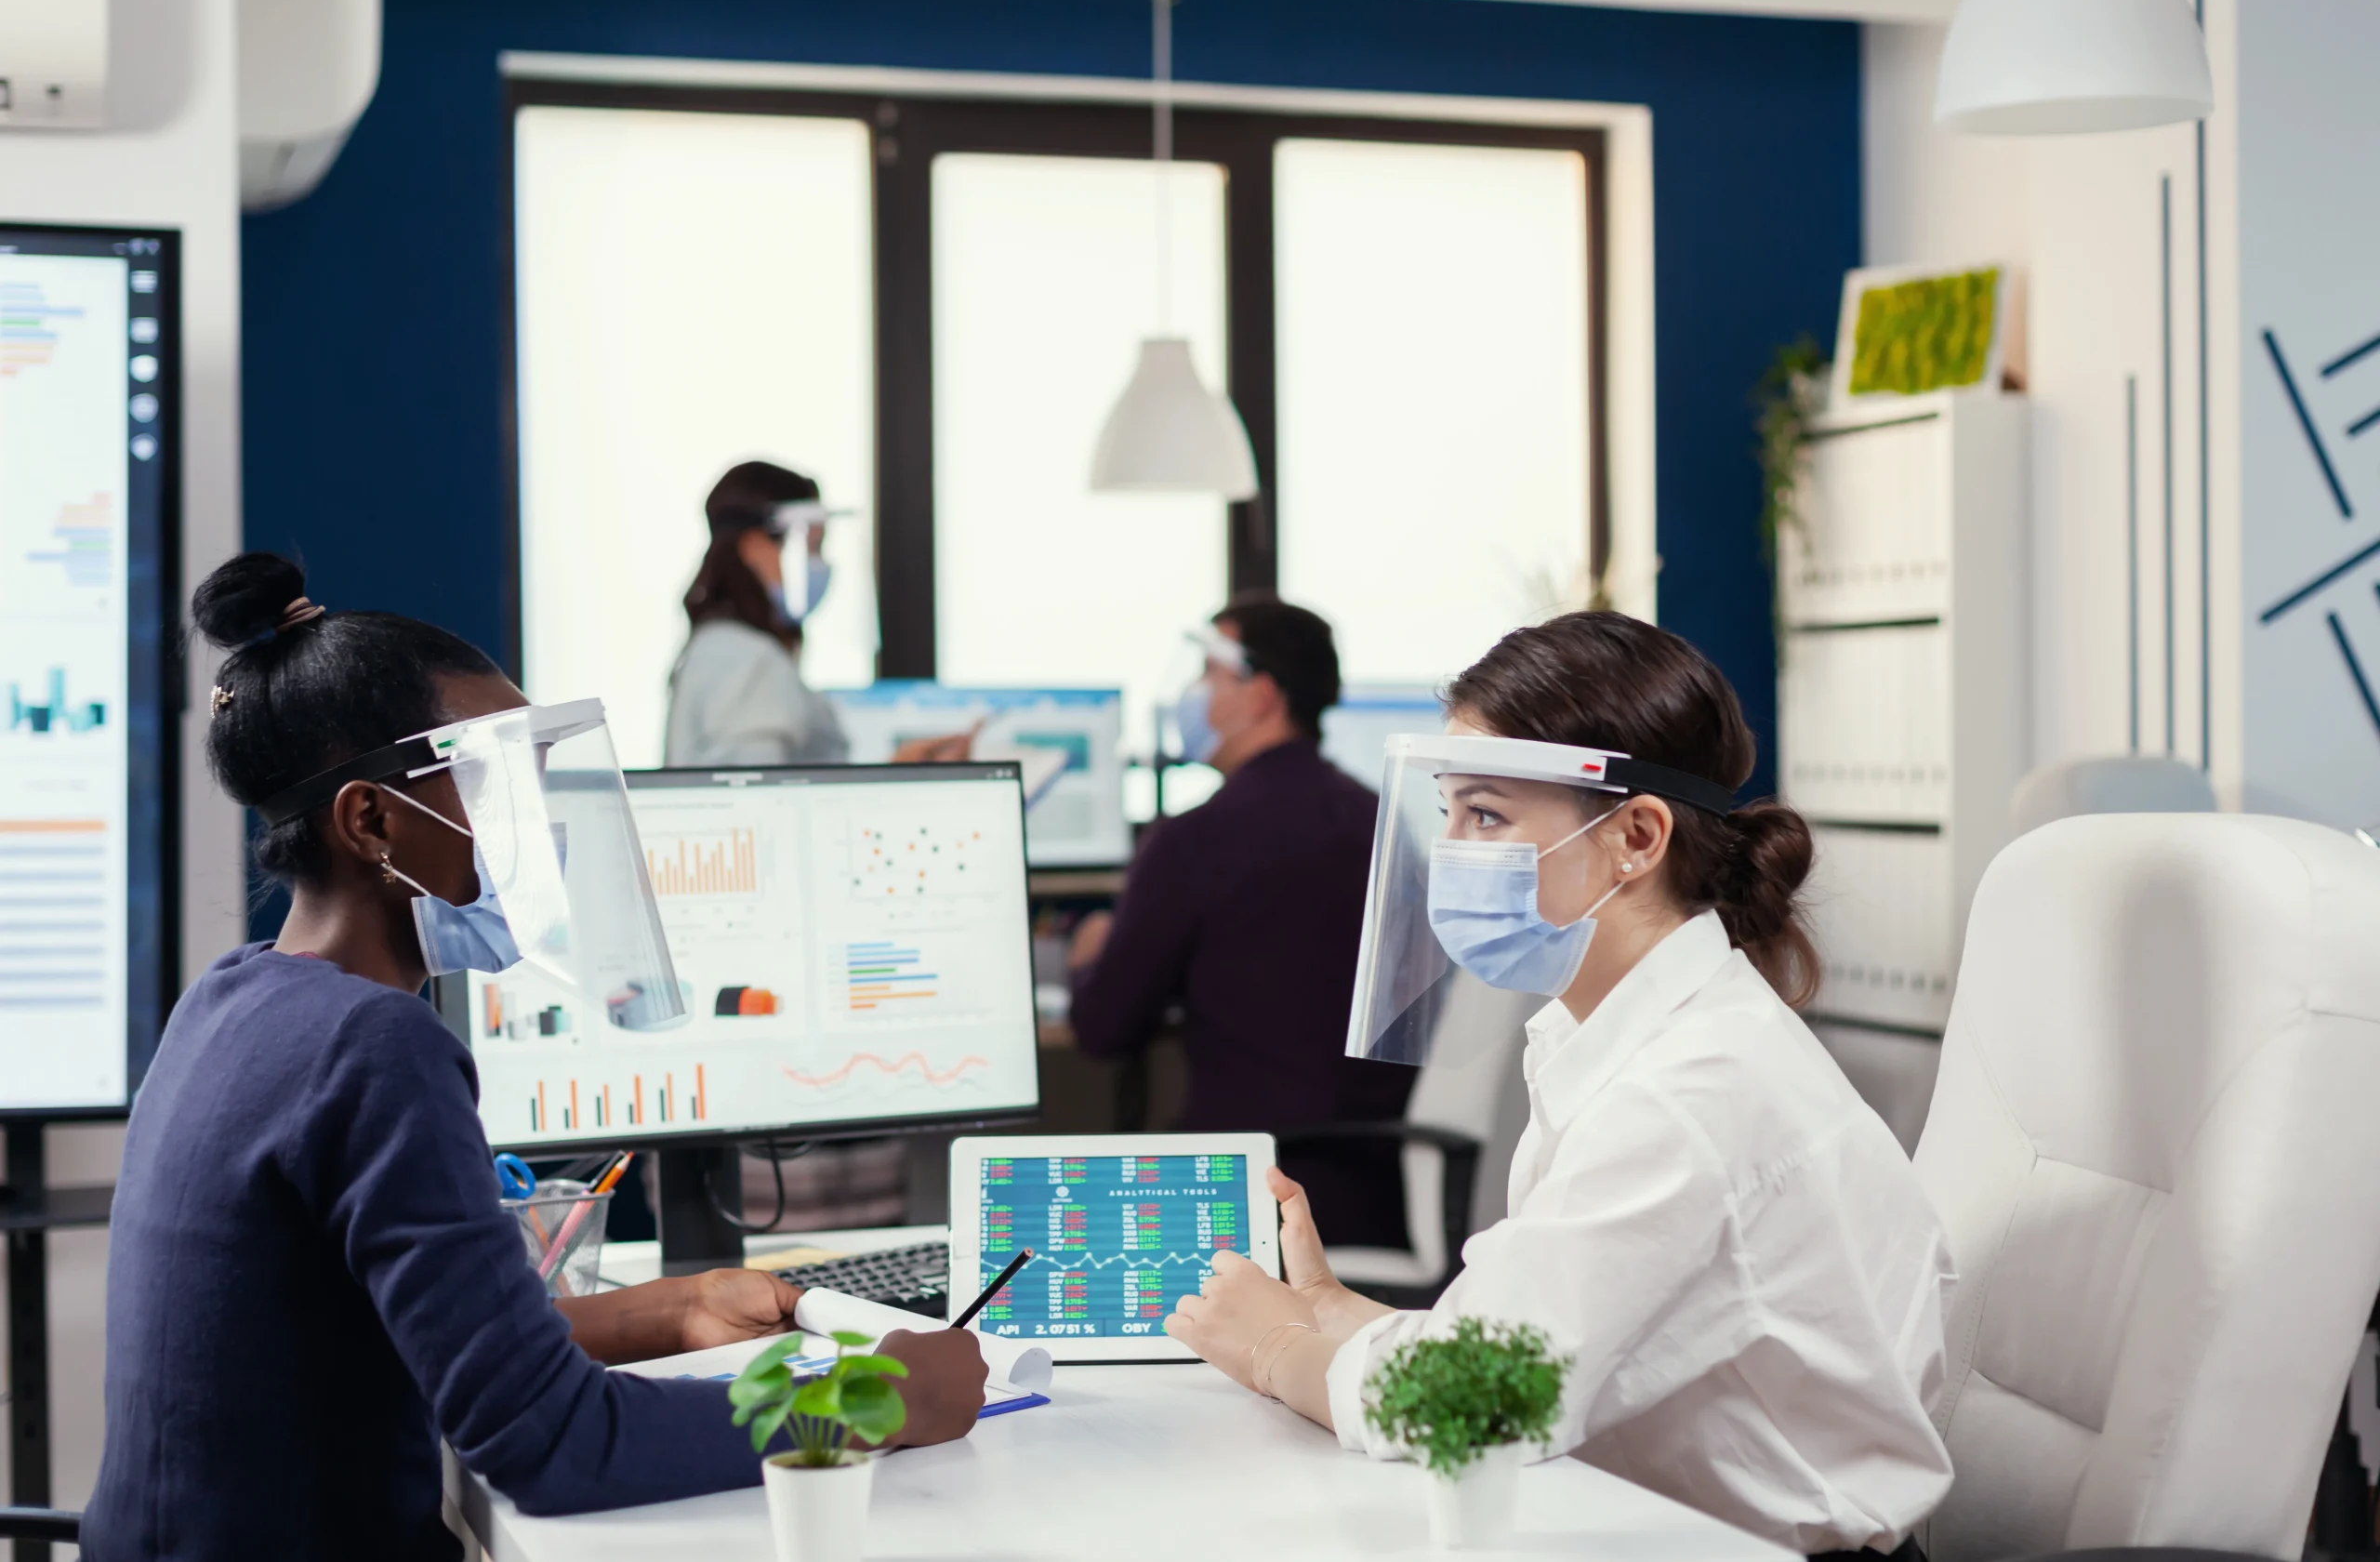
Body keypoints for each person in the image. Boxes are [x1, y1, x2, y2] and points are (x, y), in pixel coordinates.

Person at [83, 553, 987, 1562]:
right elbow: (551, 1443)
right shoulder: (374, 1048)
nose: (541, 829)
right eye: (500, 784)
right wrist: (877, 1402)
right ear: (371, 820)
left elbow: (432, 1339)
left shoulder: (228, 1000)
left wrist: (680, 1303)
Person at [1162, 611, 1953, 1559]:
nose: (1451, 848)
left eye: (1487, 815)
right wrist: (1332, 1309)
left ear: (1636, 836)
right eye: (1448, 811)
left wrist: (1276, 1352)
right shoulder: (1622, 1036)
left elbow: (1477, 1403)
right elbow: (1551, 1335)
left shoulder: (1693, 1091)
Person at [1067, 594, 1417, 1246]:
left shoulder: (1196, 838)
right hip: (1376, 1192)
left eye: (1209, 673)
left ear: (1260, 694)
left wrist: (1089, 953)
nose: (1193, 693)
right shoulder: (1382, 821)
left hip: (1246, 1200)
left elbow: (1104, 1027)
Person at [664, 459, 850, 767]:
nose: (818, 563)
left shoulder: (727, 647)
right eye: (813, 546)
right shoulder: (748, 658)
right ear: (754, 546)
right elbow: (754, 791)